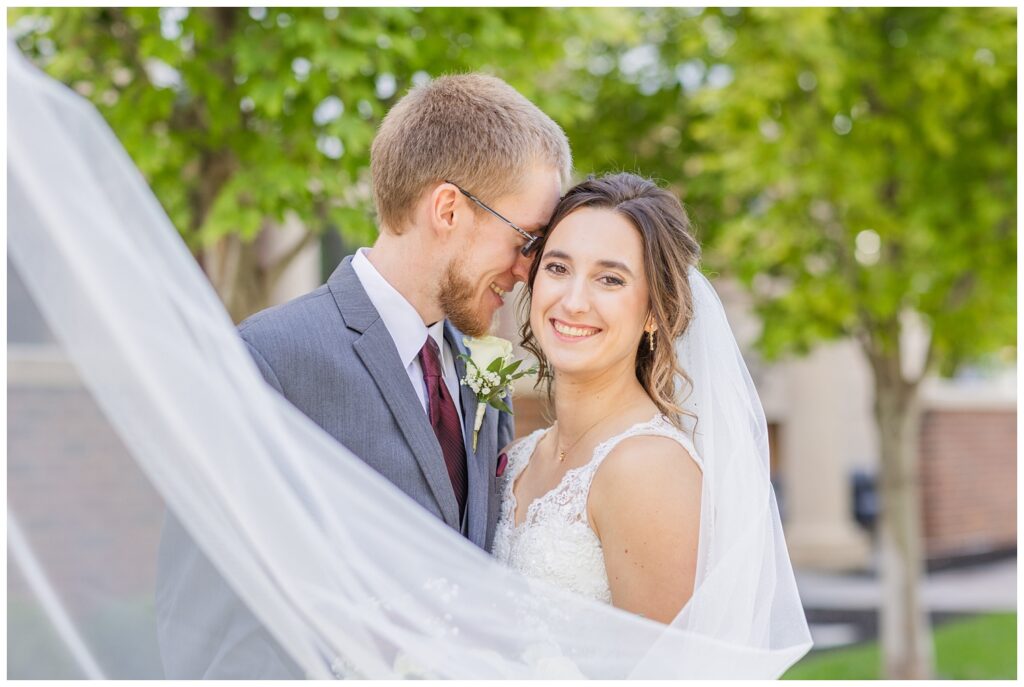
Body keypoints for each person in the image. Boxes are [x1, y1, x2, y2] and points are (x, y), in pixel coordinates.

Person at [155, 73, 572, 679]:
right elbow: (204, 626)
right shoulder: (269, 359)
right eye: (525, 239)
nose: (528, 271)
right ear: (449, 208)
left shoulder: (484, 373)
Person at [493, 173, 705, 623]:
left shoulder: (649, 467)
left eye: (609, 279)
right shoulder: (518, 456)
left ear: (656, 312)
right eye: (557, 268)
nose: (572, 301)